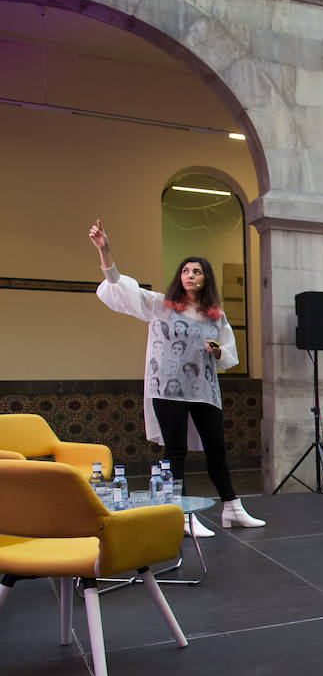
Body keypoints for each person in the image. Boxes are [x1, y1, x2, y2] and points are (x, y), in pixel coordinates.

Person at [89, 219, 263, 536]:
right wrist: (105, 250)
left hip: (204, 389)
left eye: (196, 271)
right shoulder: (161, 305)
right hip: (167, 389)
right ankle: (180, 516)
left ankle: (232, 508)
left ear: (206, 278)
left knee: (216, 449)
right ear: (179, 277)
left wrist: (217, 351)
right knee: (175, 451)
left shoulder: (216, 314)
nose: (190, 275)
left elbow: (229, 351)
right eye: (185, 271)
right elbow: (119, 286)